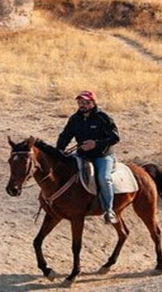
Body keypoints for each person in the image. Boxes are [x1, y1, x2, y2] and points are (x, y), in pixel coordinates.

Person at [56, 90, 121, 225]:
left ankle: (109, 211)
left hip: (102, 156)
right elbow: (65, 135)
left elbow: (115, 138)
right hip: (82, 155)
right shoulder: (75, 119)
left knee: (104, 178)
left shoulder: (103, 118)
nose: (82, 105)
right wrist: (59, 150)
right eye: (80, 102)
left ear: (93, 103)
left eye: (86, 102)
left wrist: (95, 144)